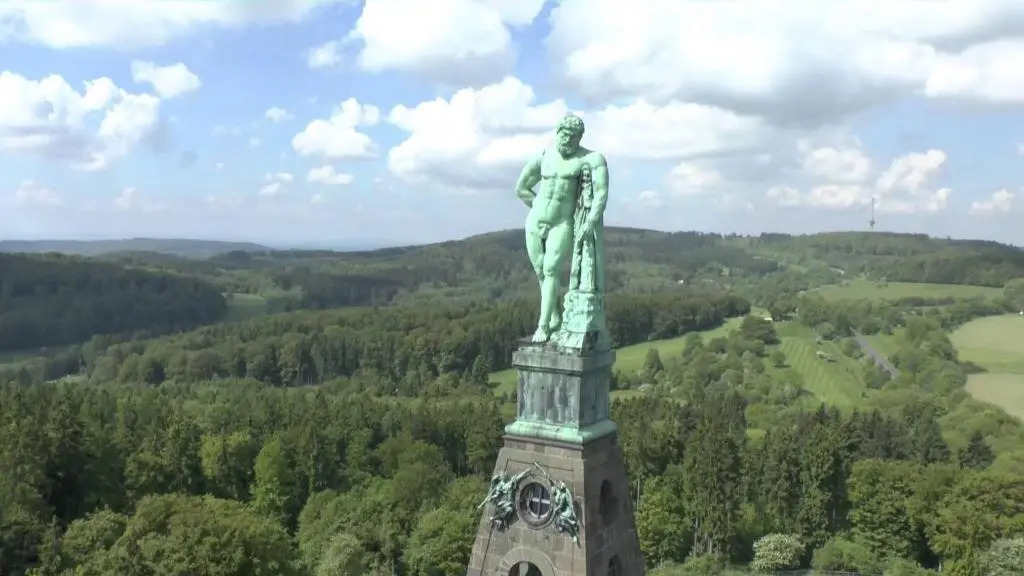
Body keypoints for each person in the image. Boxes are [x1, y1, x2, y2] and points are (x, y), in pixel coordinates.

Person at [515, 114, 609, 343]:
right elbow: (521, 188)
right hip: (535, 220)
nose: (567, 139)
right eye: (564, 135)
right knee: (541, 272)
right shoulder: (544, 157)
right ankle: (555, 318)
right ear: (557, 133)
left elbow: (601, 193)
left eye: (573, 136)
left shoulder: (589, 159)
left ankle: (543, 326)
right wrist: (538, 207)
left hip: (562, 222)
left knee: (551, 270)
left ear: (579, 138)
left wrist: (590, 221)